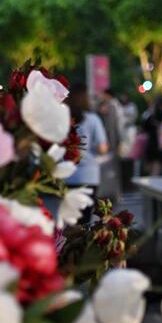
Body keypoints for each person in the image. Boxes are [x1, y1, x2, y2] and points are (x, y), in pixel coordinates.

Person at [65, 84, 108, 222]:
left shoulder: (63, 119)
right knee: (84, 221)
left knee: (71, 221)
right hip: (89, 176)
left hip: (67, 175)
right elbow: (102, 148)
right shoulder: (93, 119)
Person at [96, 88, 125, 204]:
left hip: (111, 144)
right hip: (114, 143)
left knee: (113, 171)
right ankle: (115, 195)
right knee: (113, 171)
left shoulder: (112, 106)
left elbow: (112, 128)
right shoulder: (115, 105)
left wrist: (112, 144)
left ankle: (114, 196)